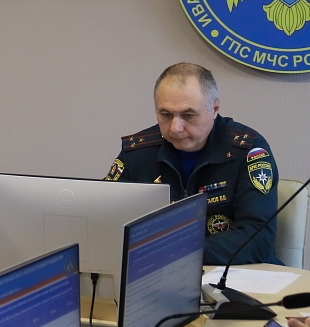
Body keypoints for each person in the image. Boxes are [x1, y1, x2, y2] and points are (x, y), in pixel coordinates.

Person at [104, 63, 279, 266]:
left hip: (236, 273)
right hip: (157, 273)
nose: (175, 128)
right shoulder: (138, 152)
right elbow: (105, 218)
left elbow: (258, 239)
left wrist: (179, 250)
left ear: (214, 109)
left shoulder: (248, 151)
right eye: (166, 115)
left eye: (188, 115)